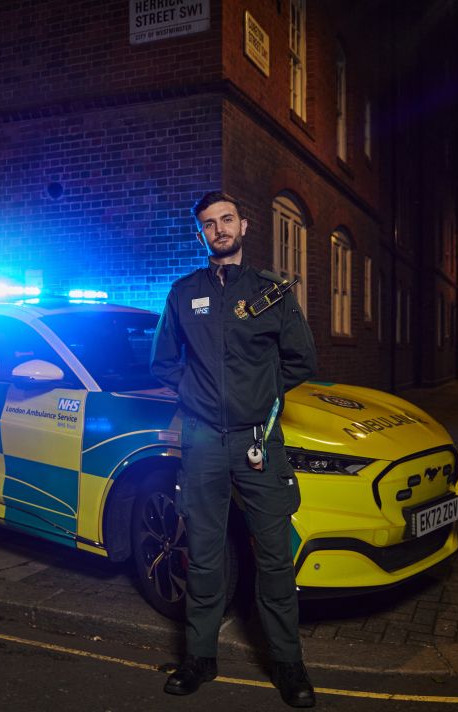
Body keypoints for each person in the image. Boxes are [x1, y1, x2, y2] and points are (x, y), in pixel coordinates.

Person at [150, 191, 317, 708]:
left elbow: (300, 360)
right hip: (201, 443)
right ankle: (200, 657)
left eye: (226, 220)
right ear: (200, 234)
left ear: (244, 225)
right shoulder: (183, 293)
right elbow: (162, 361)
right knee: (203, 555)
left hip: (258, 443)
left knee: (274, 560)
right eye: (208, 224)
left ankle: (288, 666)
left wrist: (255, 398)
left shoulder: (270, 292)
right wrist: (197, 396)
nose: (219, 229)